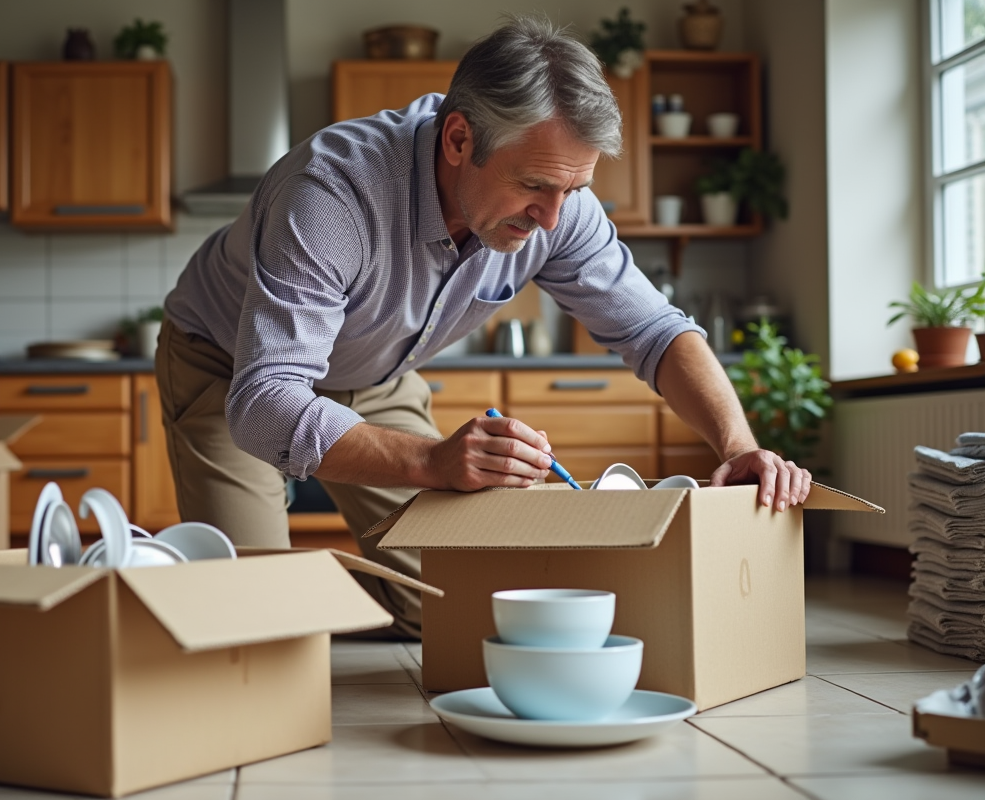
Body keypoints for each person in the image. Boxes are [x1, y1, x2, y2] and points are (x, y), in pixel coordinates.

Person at [157, 15, 812, 638]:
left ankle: (315, 599)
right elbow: (266, 404)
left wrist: (736, 445)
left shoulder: (559, 208)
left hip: (375, 375)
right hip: (233, 370)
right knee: (254, 622)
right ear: (458, 140)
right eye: (534, 185)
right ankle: (268, 603)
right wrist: (432, 461)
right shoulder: (331, 194)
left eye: (572, 190)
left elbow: (656, 331)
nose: (551, 218)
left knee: (453, 607)